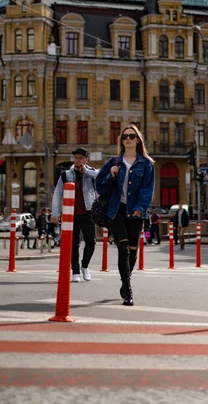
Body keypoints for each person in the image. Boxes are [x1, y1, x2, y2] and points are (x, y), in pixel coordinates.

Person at [96, 124, 155, 306]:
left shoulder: (146, 164)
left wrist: (140, 207)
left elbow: (147, 189)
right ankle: (128, 290)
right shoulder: (113, 163)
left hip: (136, 211)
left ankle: (124, 280)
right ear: (122, 141)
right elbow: (99, 186)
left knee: (132, 251)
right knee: (122, 250)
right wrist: (110, 176)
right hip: (117, 210)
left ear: (138, 140)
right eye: (125, 136)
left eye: (131, 136)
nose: (128, 139)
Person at [52, 148, 99, 282]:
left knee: (91, 242)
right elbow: (57, 194)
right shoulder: (66, 175)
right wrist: (55, 213)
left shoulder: (92, 173)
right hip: (70, 215)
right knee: (74, 244)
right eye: (76, 158)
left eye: (80, 158)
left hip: (88, 213)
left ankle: (85, 266)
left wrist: (87, 171)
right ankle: (76, 271)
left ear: (86, 160)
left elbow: (102, 177)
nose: (78, 160)